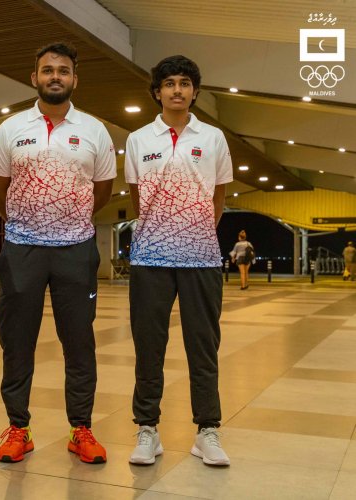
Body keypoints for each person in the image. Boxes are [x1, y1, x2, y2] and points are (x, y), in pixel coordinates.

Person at [0, 42, 116, 464]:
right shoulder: (9, 129)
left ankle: (81, 429)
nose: (55, 76)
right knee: (17, 343)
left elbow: (102, 191)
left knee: (79, 344)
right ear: (34, 77)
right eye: (47, 70)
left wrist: (66, 221)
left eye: (63, 70)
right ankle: (18, 429)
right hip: (22, 249)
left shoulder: (95, 130)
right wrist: (30, 222)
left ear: (74, 79)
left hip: (76, 250)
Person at [125, 55, 232, 467]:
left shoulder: (215, 137)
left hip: (202, 257)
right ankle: (147, 428)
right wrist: (162, 230)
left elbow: (218, 196)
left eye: (184, 83)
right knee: (149, 346)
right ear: (157, 92)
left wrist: (195, 230)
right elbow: (137, 199)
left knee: (202, 347)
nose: (176, 90)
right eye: (169, 83)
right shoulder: (139, 139)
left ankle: (207, 430)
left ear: (194, 92)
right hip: (150, 257)